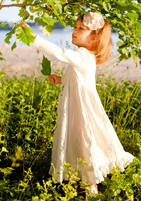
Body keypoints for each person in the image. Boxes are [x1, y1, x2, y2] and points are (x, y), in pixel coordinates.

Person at [20, 12, 134, 196]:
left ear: (95, 36)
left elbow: (59, 53)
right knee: (78, 141)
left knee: (84, 141)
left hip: (82, 110)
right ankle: (81, 183)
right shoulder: (84, 56)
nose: (74, 31)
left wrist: (36, 39)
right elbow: (77, 80)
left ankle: (90, 187)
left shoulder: (82, 54)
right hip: (76, 107)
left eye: (81, 28)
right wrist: (61, 80)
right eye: (75, 27)